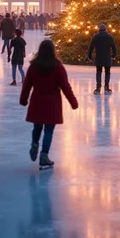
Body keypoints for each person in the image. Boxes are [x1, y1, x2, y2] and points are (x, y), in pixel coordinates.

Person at [20, 39, 78, 170]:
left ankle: (35, 143)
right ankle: (44, 155)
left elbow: (27, 85)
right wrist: (73, 102)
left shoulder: (34, 66)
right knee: (49, 130)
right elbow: (65, 86)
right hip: (52, 102)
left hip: (37, 101)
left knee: (37, 126)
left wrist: (24, 99)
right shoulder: (58, 67)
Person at [87, 23, 117, 94]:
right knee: (107, 72)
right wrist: (113, 56)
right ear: (106, 29)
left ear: (99, 29)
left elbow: (91, 47)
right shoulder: (109, 36)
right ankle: (106, 87)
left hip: (99, 57)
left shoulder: (95, 36)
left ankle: (98, 88)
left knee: (98, 72)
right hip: (107, 58)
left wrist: (89, 56)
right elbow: (114, 47)